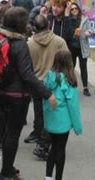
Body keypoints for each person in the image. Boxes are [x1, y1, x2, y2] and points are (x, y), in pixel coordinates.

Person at [0, 7, 55, 179]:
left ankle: (4, 168)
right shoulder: (19, 45)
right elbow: (27, 74)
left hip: (0, 92)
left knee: (4, 134)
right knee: (12, 134)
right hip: (17, 96)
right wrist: (47, 93)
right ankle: (7, 171)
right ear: (20, 23)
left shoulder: (0, 39)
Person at [25, 15, 69, 160]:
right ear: (49, 25)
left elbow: (27, 65)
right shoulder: (59, 41)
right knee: (52, 114)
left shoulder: (30, 43)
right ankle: (45, 143)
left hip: (36, 83)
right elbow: (67, 61)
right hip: (54, 82)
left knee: (39, 113)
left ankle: (39, 136)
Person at [43, 50, 83, 180]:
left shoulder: (48, 77)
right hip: (63, 120)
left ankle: (48, 176)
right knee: (60, 148)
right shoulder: (69, 81)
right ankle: (58, 177)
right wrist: (77, 127)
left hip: (51, 119)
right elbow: (73, 106)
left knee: (53, 147)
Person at [68, 2, 92, 96]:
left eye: (76, 9)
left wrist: (88, 33)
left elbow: (90, 29)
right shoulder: (68, 20)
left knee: (83, 67)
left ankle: (85, 88)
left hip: (82, 46)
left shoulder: (84, 19)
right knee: (70, 67)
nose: (74, 10)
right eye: (72, 9)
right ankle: (71, 84)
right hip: (71, 47)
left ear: (78, 9)